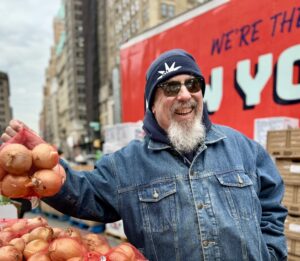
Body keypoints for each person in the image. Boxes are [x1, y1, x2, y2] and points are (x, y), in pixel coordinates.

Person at [1, 49, 287, 261]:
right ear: (152, 103)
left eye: (193, 84)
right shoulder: (126, 165)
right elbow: (86, 196)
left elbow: (272, 203)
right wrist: (48, 168)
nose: (185, 95)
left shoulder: (242, 147)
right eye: (171, 87)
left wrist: (272, 252)